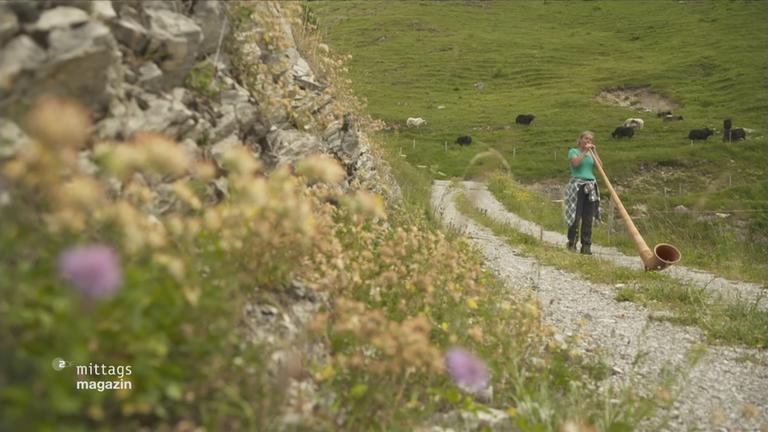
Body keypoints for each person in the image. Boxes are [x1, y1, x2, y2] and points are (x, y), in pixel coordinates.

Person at [564, 131, 601, 255]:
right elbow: (575, 163)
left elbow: (600, 167)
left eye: (590, 139)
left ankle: (586, 246)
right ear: (580, 140)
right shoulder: (573, 151)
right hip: (577, 186)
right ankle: (572, 243)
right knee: (575, 216)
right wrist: (585, 152)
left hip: (590, 185)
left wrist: (594, 152)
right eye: (586, 138)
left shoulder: (591, 154)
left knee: (588, 217)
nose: (588, 141)